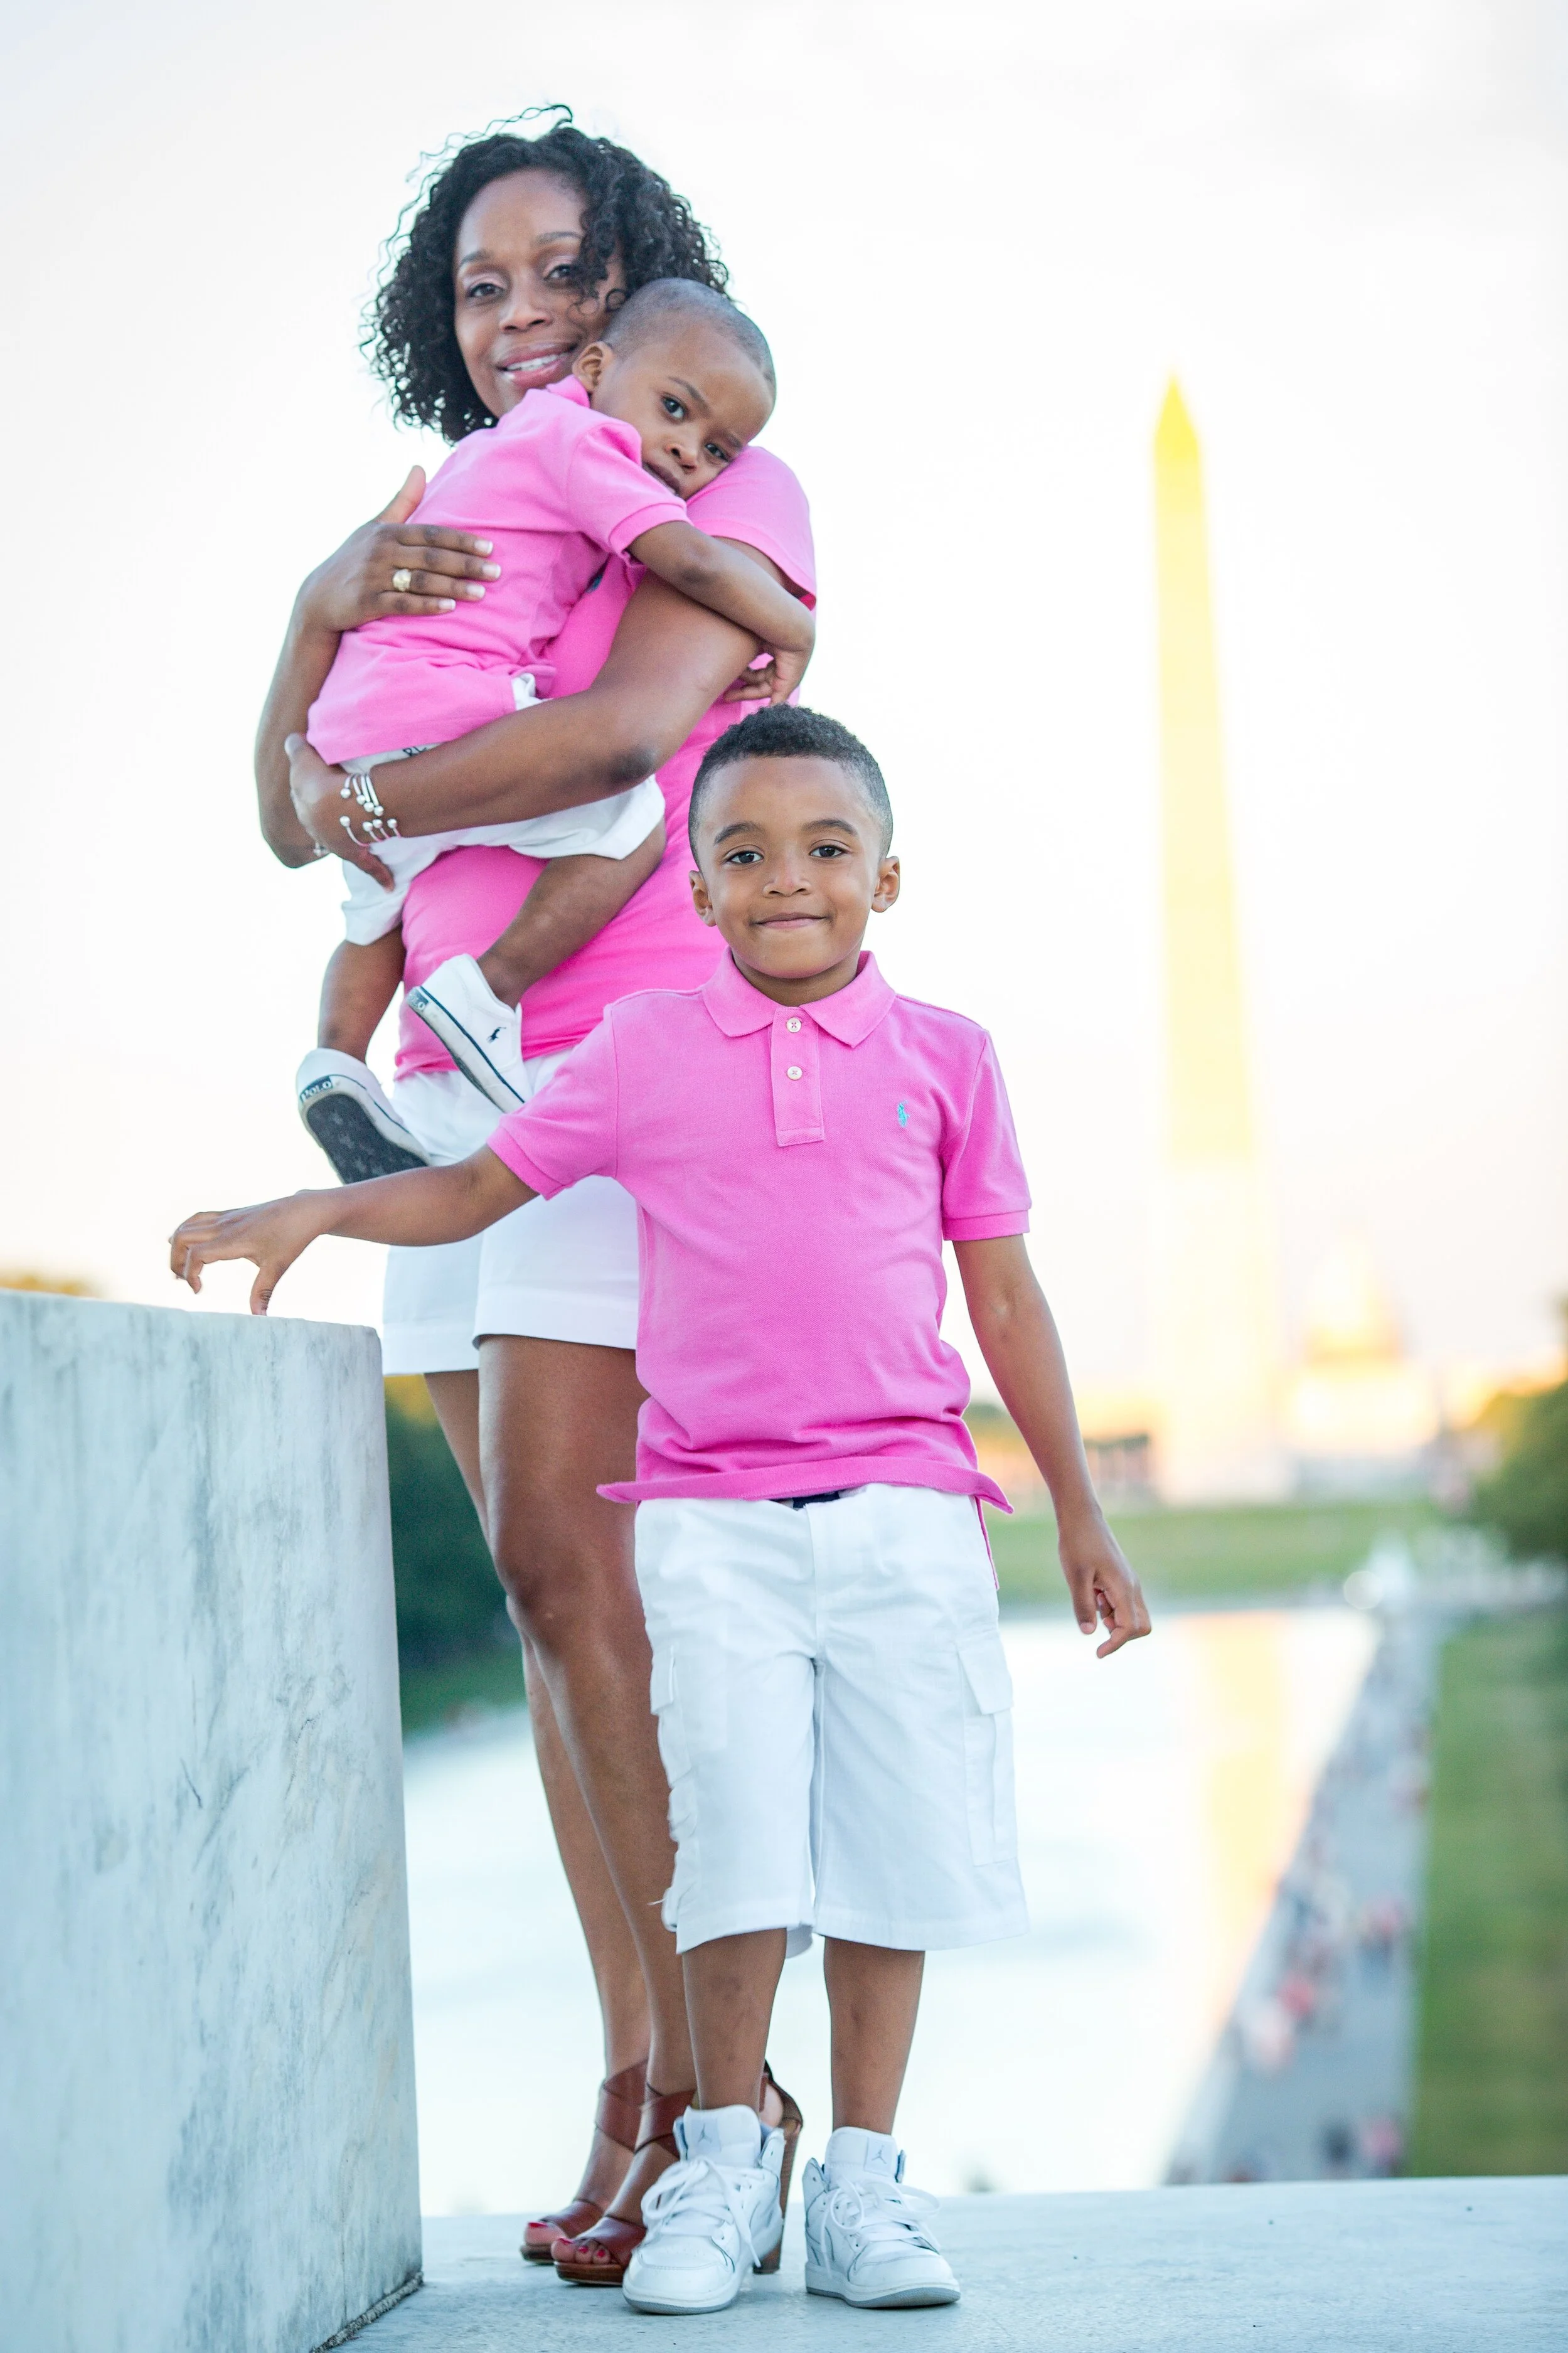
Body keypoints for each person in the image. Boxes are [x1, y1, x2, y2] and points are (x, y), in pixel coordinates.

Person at [176, 705, 1153, 2317]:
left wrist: (1078, 1514)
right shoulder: (636, 1055)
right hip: (710, 1520)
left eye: (825, 850)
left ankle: (860, 2191)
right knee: (731, 1853)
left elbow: (1004, 1292)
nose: (787, 881)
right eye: (744, 854)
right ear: (693, 891)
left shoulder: (949, 1058)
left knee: (889, 1865)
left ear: (887, 878)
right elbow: (479, 1188)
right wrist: (319, 1209)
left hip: (908, 1505)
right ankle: (715, 2172)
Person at [253, 112, 816, 2281]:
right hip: (433, 1094)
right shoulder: (449, 508)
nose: (514, 320)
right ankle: (643, 2076)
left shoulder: (715, 475)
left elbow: (611, 741)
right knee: (548, 1610)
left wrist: (362, 782)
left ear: (637, 282)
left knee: (615, 1605)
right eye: (476, 284)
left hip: (618, 1062)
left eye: (556, 274)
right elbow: (286, 814)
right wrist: (312, 609)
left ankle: (720, 2101)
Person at [299, 277, 813, 1180]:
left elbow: (297, 822)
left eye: (715, 446)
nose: (689, 454)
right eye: (676, 412)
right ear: (598, 365)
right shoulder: (583, 442)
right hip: (437, 718)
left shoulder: (479, 464)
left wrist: (348, 799)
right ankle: (486, 993)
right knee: (631, 820)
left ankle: (335, 1064)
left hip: (359, 724)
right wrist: (796, 624)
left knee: (370, 915)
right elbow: (681, 567)